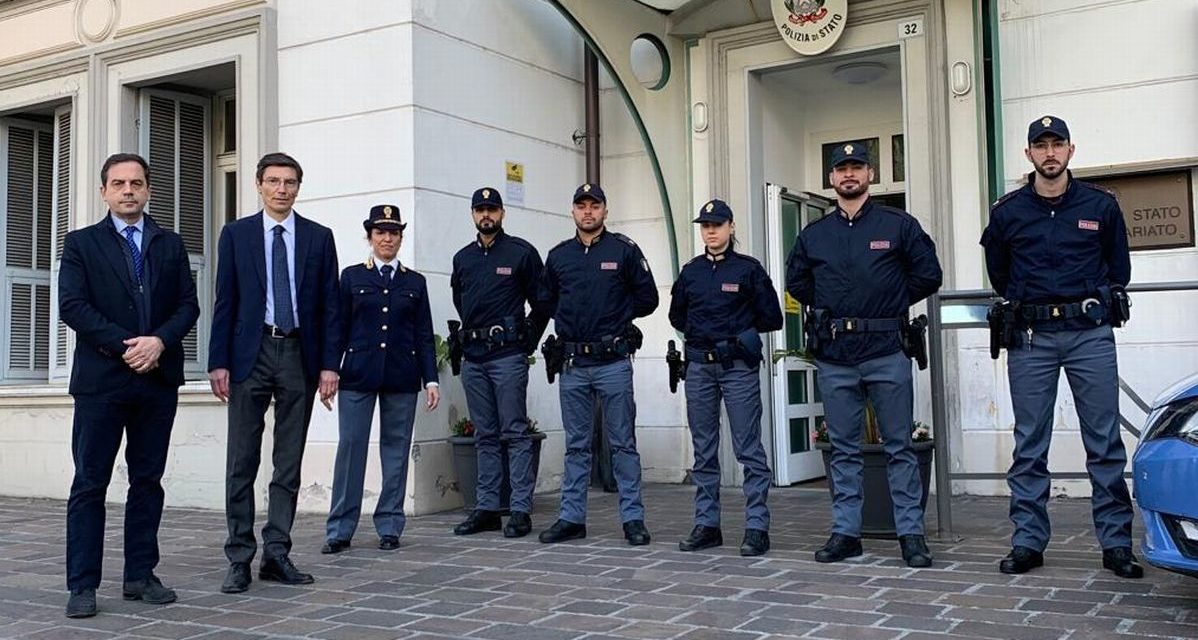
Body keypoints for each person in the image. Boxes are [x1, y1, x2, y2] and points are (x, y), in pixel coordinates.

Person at [981, 115, 1141, 578]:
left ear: (1071, 150)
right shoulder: (1007, 211)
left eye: (1057, 144)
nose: (1049, 153)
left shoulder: (1101, 206)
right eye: (1040, 145)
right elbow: (1000, 272)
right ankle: (1028, 541)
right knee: (1029, 444)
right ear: (1028, 154)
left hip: (1089, 335)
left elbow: (1119, 269)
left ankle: (1115, 545)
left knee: (1104, 442)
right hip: (1031, 338)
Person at [786, 142, 943, 568]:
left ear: (869, 175)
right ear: (832, 179)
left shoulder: (898, 224)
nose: (849, 175)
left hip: (886, 350)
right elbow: (797, 283)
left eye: (857, 167)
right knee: (843, 448)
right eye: (842, 169)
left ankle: (910, 534)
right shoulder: (814, 234)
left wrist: (889, 302)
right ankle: (846, 532)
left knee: (899, 447)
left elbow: (929, 274)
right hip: (836, 355)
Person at [58, 153, 200, 617]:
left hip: (157, 381)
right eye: (118, 183)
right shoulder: (81, 243)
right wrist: (127, 346)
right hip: (102, 382)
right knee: (90, 483)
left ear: (149, 190)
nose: (128, 190)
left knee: (147, 481)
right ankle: (82, 584)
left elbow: (187, 306)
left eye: (136, 183)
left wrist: (158, 342)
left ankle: (140, 575)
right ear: (104, 191)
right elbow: (73, 307)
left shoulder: (170, 243)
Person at [208, 153, 341, 593]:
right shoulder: (237, 235)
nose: (281, 189)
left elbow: (329, 307)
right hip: (251, 353)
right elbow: (224, 299)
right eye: (273, 181)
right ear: (258, 185)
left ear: (299, 187)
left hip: (300, 354)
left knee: (288, 461)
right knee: (241, 460)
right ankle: (239, 557)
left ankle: (277, 552)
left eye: (289, 182)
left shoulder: (319, 238)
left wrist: (329, 365)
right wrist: (218, 361)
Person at [537, 183, 658, 545]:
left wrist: (617, 315)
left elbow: (647, 298)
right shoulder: (559, 256)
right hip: (573, 363)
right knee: (576, 444)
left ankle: (633, 519)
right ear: (572, 211)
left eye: (594, 205)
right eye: (581, 206)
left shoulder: (623, 251)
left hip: (613, 362)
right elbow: (546, 300)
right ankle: (571, 518)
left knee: (622, 443)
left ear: (605, 210)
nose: (587, 212)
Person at [668, 199, 783, 556]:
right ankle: (707, 524)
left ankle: (756, 527)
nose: (711, 231)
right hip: (700, 367)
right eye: (705, 225)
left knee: (748, 448)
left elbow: (772, 318)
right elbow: (678, 316)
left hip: (737, 368)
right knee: (704, 450)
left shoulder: (748, 270)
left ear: (731, 227)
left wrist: (737, 337)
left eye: (717, 224)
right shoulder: (691, 272)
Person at [322, 205, 439, 554]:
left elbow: (424, 334)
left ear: (401, 237)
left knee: (396, 451)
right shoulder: (353, 277)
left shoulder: (414, 282)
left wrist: (431, 379)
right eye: (380, 232)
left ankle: (389, 523)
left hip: (402, 376)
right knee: (351, 449)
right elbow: (337, 329)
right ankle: (340, 529)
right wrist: (330, 369)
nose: (387, 238)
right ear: (370, 237)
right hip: (358, 375)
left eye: (393, 232)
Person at [450, 188, 549, 538]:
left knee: (515, 433)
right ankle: (488, 508)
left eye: (492, 209)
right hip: (474, 358)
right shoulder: (463, 258)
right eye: (480, 209)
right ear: (473, 214)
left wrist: (526, 342)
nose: (486, 215)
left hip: (507, 356)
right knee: (485, 436)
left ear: (502, 213)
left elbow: (543, 303)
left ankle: (520, 509)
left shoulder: (521, 253)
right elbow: (460, 301)